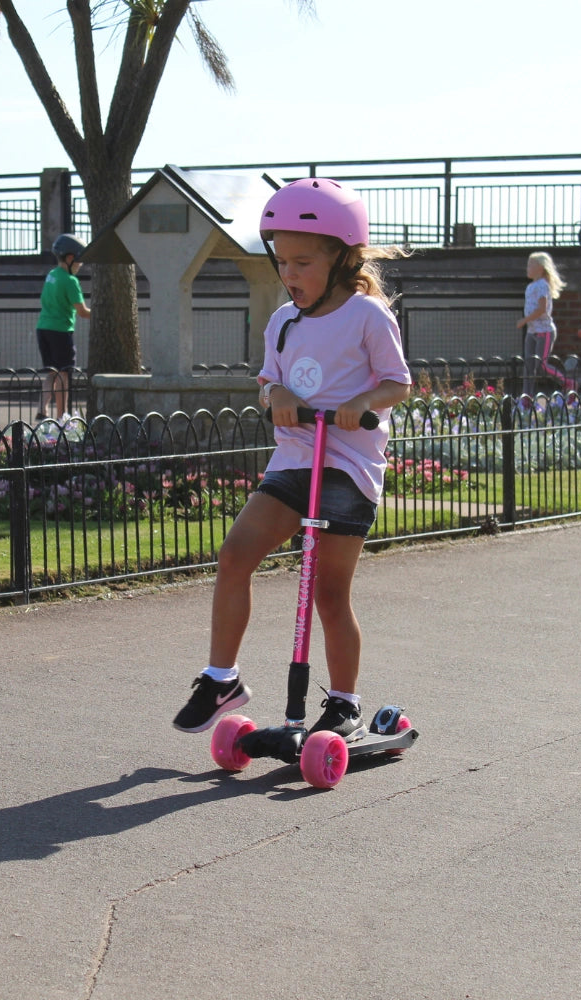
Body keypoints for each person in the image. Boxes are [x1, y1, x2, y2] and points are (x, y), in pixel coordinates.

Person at [172, 178, 412, 741]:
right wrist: (275, 395)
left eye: (302, 262)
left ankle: (345, 703)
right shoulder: (283, 321)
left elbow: (398, 384)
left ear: (341, 256)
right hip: (295, 459)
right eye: (282, 262)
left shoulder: (368, 317)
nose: (290, 275)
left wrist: (360, 404)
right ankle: (221, 678)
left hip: (348, 466)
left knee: (329, 592)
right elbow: (271, 383)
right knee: (235, 555)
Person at [35, 234, 90, 421]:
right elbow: (82, 311)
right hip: (61, 331)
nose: (80, 265)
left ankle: (42, 408)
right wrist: (101, 312)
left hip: (43, 328)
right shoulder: (70, 281)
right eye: (79, 261)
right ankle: (62, 416)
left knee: (52, 371)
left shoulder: (51, 275)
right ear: (70, 258)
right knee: (64, 374)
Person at [516, 251, 573, 397]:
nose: (527, 268)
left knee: (541, 365)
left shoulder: (543, 285)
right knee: (528, 366)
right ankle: (526, 398)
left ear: (540, 267)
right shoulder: (530, 286)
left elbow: (541, 309)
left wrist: (524, 320)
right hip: (531, 332)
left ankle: (567, 382)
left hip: (544, 331)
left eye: (530, 265)